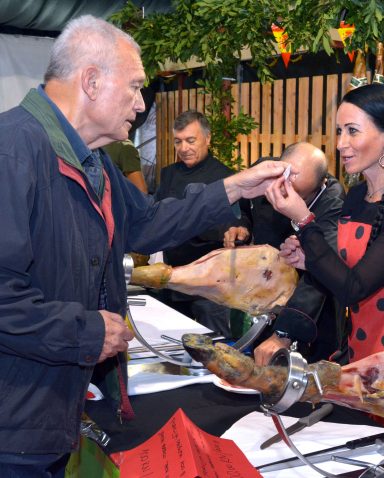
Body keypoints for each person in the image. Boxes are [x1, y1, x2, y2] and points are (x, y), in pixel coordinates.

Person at [0, 16, 285, 476]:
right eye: (133, 87)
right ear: (91, 81)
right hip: (14, 425)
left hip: (51, 414)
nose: (139, 104)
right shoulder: (12, 151)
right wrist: (88, 333)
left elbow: (148, 221)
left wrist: (234, 187)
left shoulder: (92, 162)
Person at [266, 83, 384, 364]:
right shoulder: (358, 196)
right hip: (359, 353)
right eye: (340, 131)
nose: (340, 144)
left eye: (352, 131)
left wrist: (303, 219)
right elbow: (346, 272)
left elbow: (354, 287)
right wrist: (308, 259)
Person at [224, 143, 345, 365]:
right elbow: (242, 205)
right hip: (263, 294)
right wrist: (242, 225)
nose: (282, 197)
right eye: (281, 184)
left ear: (320, 186)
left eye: (297, 195)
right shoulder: (264, 171)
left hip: (309, 308)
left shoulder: (333, 202)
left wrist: (286, 332)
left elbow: (321, 273)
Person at [154, 110, 252, 337]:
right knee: (172, 341)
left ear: (207, 139)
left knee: (214, 346)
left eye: (191, 140)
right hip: (173, 278)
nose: (184, 148)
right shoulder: (168, 174)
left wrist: (238, 230)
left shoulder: (226, 177)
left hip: (210, 286)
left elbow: (240, 221)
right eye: (178, 142)